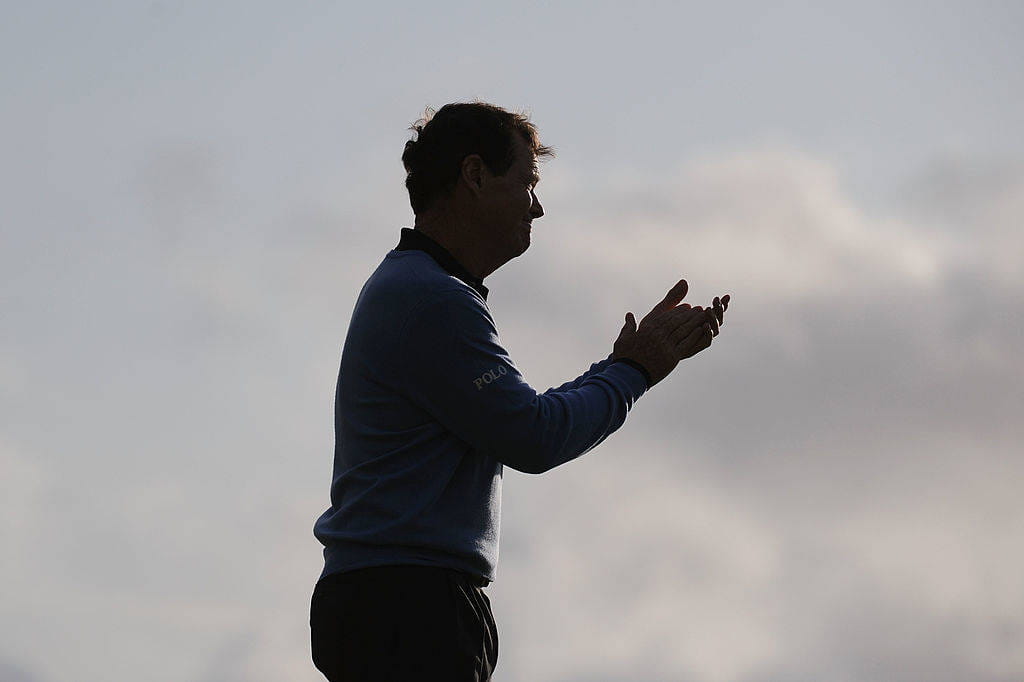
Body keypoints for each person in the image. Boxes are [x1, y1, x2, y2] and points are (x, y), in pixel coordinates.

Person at [309, 101, 730, 681]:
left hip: (393, 600)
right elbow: (532, 435)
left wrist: (626, 364)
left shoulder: (419, 288)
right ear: (475, 176)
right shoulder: (430, 298)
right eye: (527, 181)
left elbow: (522, 417)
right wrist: (635, 370)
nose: (538, 205)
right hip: (409, 606)